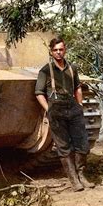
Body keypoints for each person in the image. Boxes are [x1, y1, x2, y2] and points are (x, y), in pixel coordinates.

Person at [34, 37, 94, 191]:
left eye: (61, 49)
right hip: (56, 108)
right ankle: (74, 180)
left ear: (65, 49)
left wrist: (79, 105)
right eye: (55, 50)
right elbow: (39, 92)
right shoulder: (46, 70)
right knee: (63, 146)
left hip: (73, 107)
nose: (58, 53)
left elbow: (77, 87)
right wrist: (48, 109)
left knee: (82, 143)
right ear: (51, 51)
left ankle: (82, 176)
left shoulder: (72, 68)